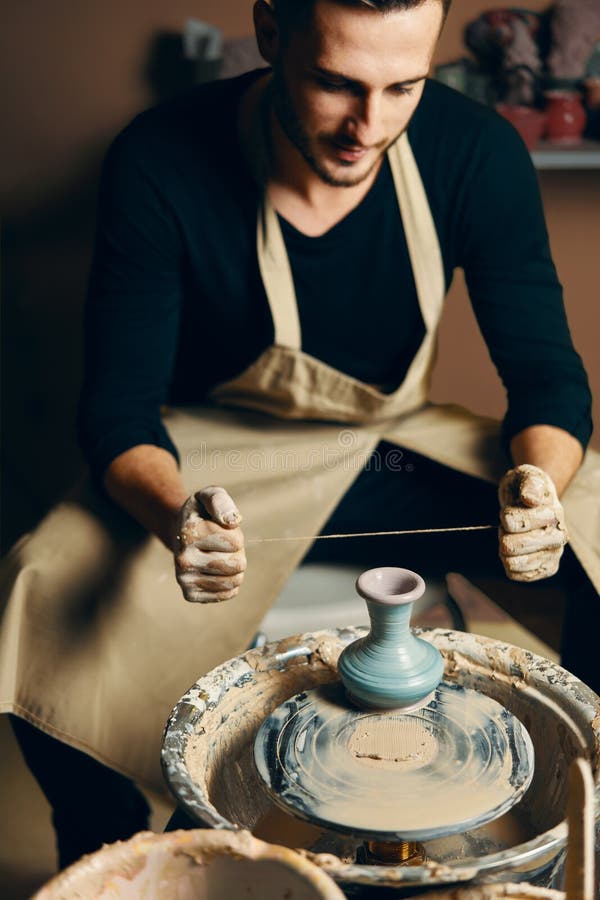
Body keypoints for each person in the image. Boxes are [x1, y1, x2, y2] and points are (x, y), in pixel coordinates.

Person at [2, 0, 599, 871]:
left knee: (594, 518)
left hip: (397, 442)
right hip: (224, 458)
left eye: (405, 87)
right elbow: (118, 413)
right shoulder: (162, 154)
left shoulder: (476, 150)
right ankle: (122, 858)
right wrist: (179, 519)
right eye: (336, 84)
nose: (369, 126)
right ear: (273, 34)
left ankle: (571, 824)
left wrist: (538, 487)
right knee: (39, 586)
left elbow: (547, 380)